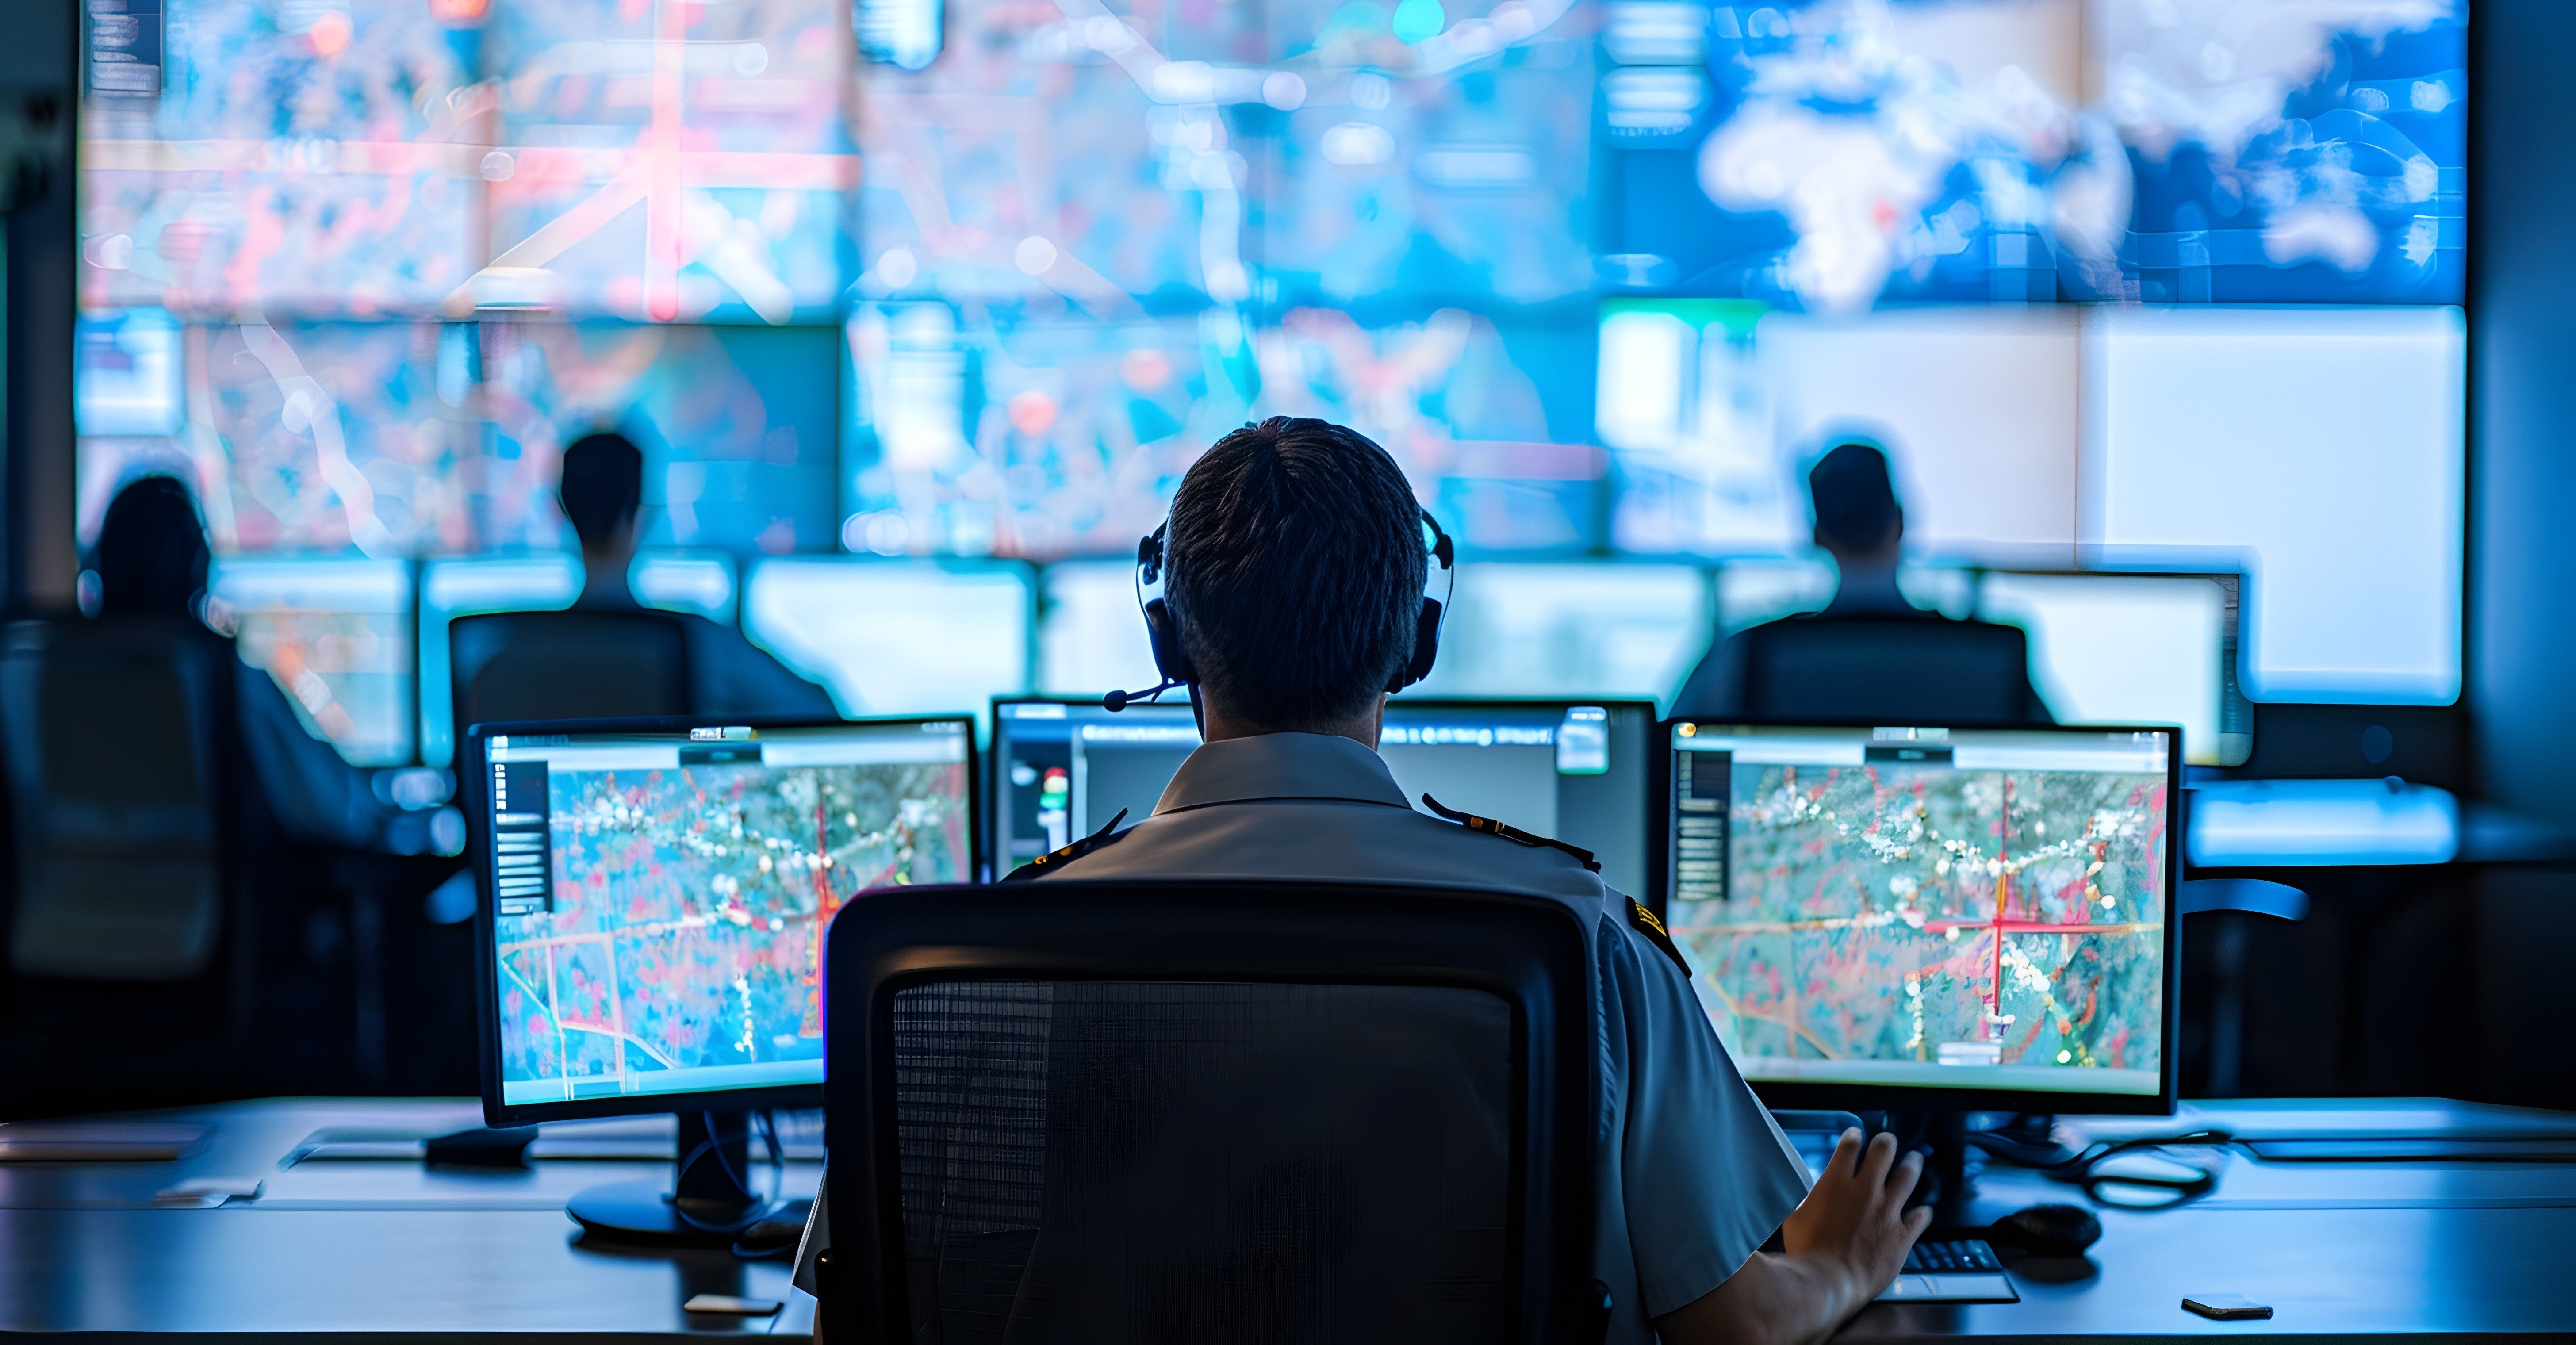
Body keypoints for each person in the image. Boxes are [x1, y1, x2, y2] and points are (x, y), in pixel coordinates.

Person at [794, 419, 1928, 1345]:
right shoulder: (1584, 943)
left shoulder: (967, 969)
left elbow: (851, 1318)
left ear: (1171, 642)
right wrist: (1834, 1267)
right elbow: (1726, 1325)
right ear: (1414, 641)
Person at [90, 474, 430, 855]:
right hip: (208, 911)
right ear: (197, 573)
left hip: (72, 906)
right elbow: (334, 810)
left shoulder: (54, 680)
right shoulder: (224, 681)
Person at [1669, 441, 2052, 724]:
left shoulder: (1749, 654)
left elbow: (1672, 745)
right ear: (1901, 522)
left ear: (1816, 535)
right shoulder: (1984, 658)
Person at [554, 432, 835, 717]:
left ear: (562, 510)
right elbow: (818, 709)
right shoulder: (700, 644)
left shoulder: (515, 645)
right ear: (641, 515)